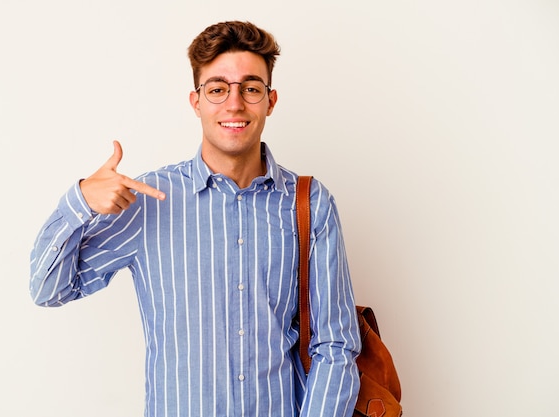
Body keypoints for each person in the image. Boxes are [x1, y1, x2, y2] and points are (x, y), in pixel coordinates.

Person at [30, 20, 361, 417]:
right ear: (196, 101)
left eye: (251, 88)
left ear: (270, 101)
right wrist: (80, 201)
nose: (234, 104)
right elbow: (48, 289)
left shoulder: (310, 204)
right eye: (218, 89)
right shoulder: (148, 200)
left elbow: (335, 344)